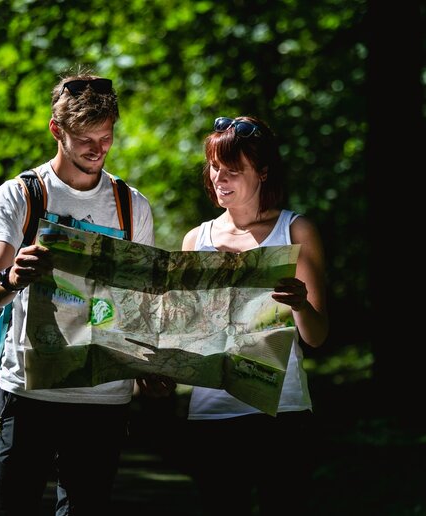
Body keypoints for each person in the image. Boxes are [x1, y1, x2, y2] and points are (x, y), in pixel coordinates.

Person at [0, 70, 170, 514]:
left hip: (103, 398)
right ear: (56, 131)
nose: (98, 149)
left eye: (106, 137)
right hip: (28, 392)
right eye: (85, 138)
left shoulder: (130, 204)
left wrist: (150, 364)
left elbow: (137, 302)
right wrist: (12, 276)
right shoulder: (20, 195)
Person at [181, 115, 329, 515]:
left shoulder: (295, 231)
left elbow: (316, 336)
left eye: (233, 170)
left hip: (281, 409)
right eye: (214, 167)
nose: (219, 178)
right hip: (213, 410)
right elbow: (190, 332)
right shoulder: (198, 240)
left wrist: (299, 304)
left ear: (263, 172)